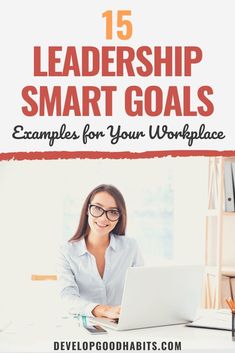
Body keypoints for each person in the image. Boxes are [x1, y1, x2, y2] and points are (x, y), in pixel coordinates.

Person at [58, 184, 144, 319]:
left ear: (119, 216)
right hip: (85, 325)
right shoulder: (66, 251)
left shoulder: (130, 247)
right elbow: (66, 297)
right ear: (87, 209)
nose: (103, 218)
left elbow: (142, 289)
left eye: (113, 212)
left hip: (122, 324)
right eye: (97, 208)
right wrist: (102, 310)